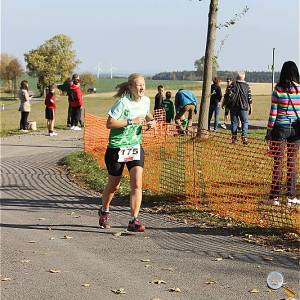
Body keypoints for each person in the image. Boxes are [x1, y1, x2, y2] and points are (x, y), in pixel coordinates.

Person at [98, 73, 155, 232]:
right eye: (138, 84)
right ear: (130, 87)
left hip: (135, 147)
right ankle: (104, 209)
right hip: (117, 148)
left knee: (137, 183)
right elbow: (109, 123)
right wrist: (131, 121)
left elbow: (146, 113)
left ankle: (133, 220)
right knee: (114, 186)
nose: (142, 87)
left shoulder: (145, 100)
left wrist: (151, 121)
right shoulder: (123, 103)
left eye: (143, 84)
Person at [265, 61, 300, 206]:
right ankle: (291, 196)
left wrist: (268, 131)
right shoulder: (299, 89)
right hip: (296, 129)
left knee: (278, 163)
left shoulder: (278, 90)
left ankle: (274, 197)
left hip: (280, 128)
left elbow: (273, 114)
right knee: (292, 162)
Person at [227, 71, 252, 144]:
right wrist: (251, 107)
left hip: (233, 107)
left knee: (234, 123)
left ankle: (234, 139)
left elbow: (228, 95)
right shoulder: (247, 86)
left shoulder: (232, 84)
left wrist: (226, 106)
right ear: (243, 77)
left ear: (237, 77)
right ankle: (244, 137)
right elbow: (249, 98)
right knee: (245, 122)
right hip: (243, 107)